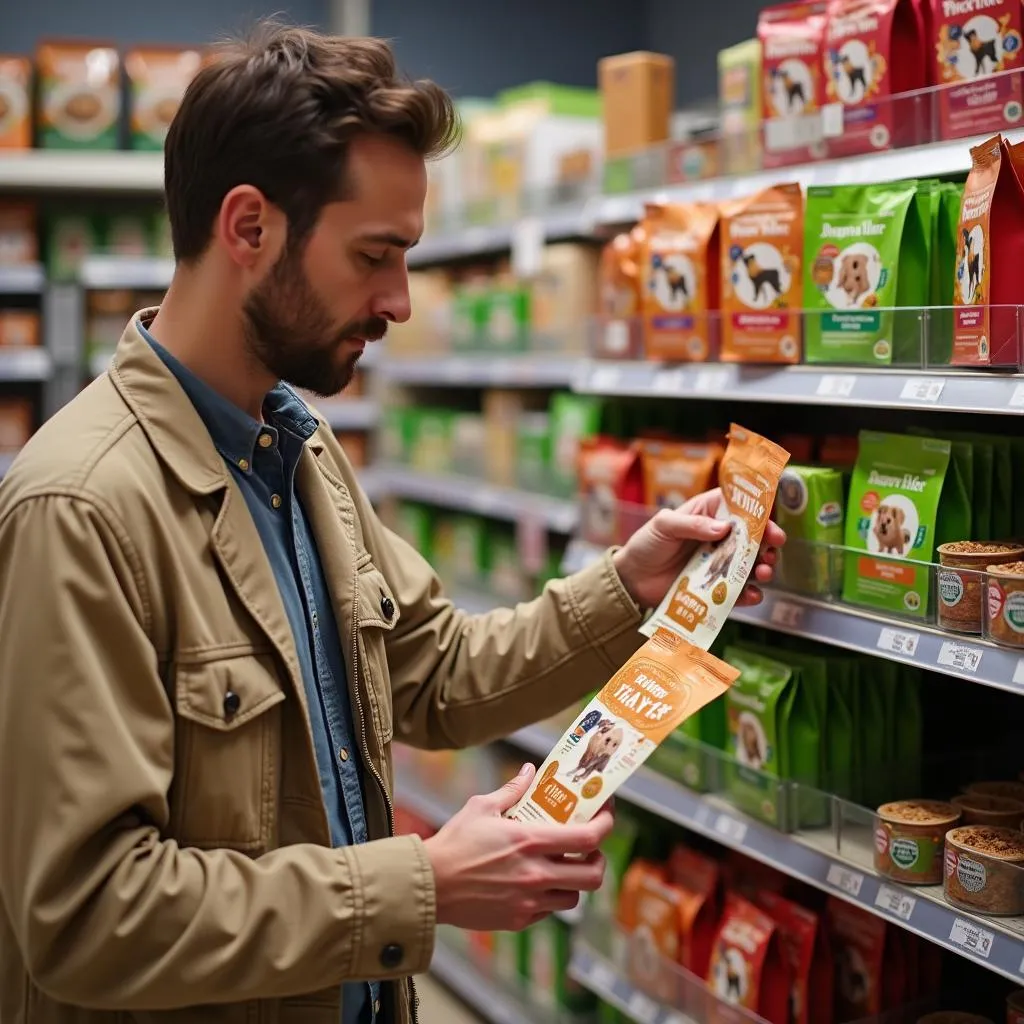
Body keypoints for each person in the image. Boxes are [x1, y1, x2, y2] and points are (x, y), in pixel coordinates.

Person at [0, 21, 784, 1024]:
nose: (401, 302)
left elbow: (432, 671)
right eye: (376, 255)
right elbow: (84, 914)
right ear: (248, 229)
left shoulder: (301, 453)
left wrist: (625, 587)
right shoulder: (82, 509)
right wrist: (422, 884)